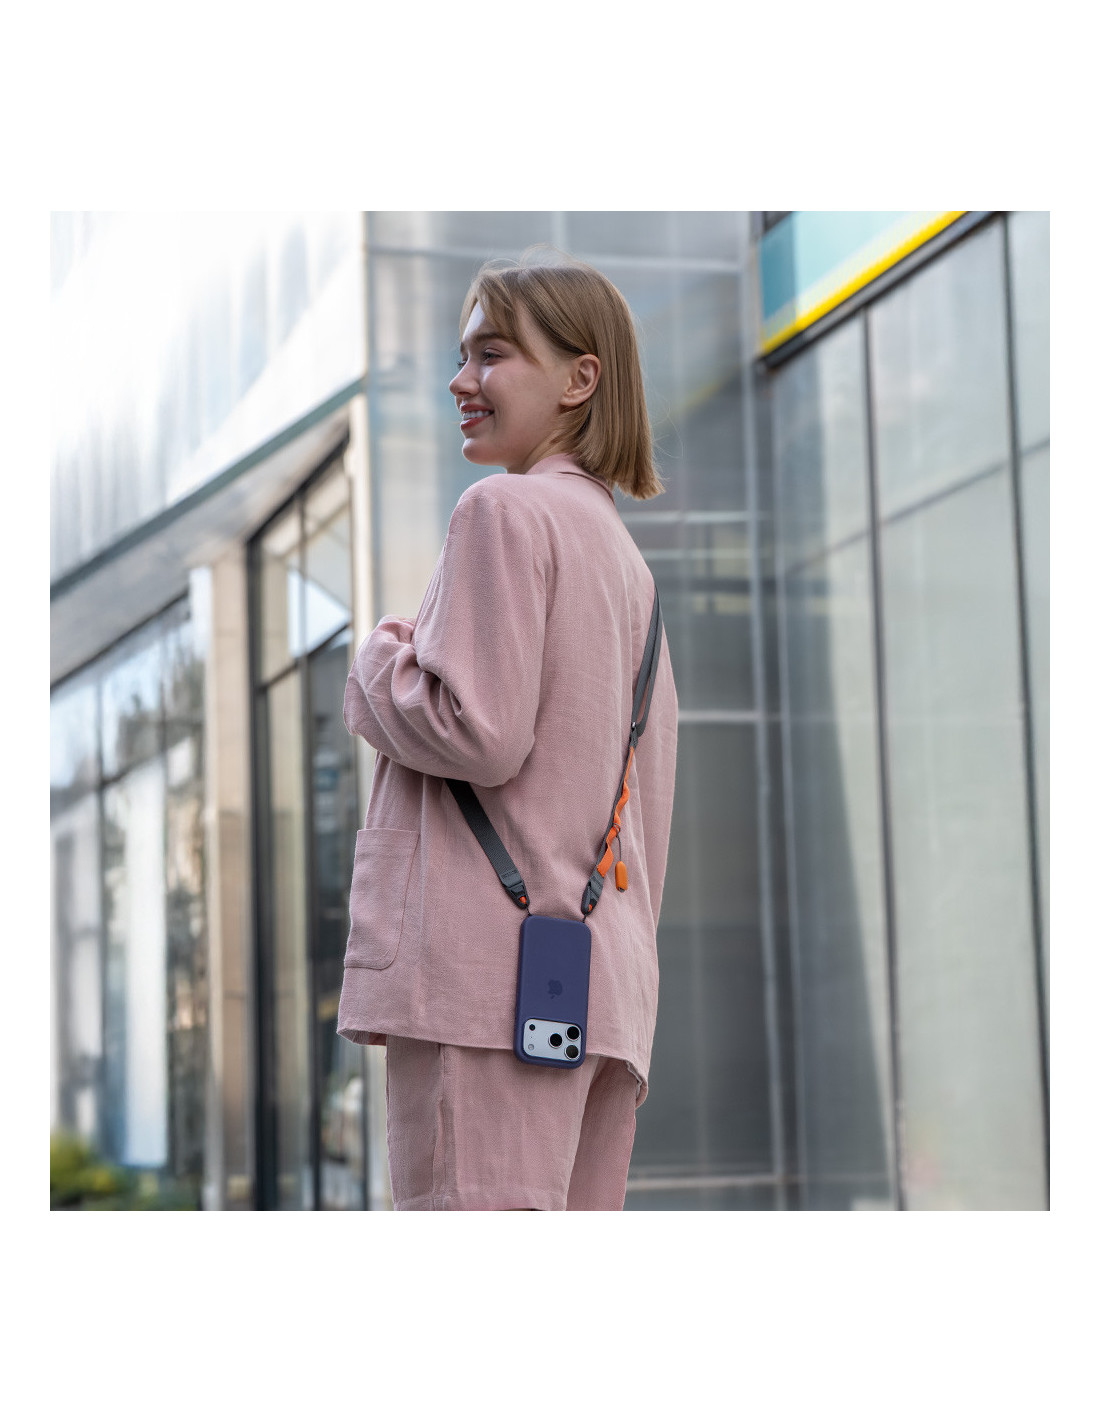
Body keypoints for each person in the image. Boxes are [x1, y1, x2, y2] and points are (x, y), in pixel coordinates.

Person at [336, 252, 678, 1210]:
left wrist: (376, 662)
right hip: (597, 991)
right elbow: (645, 809)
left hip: (483, 987)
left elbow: (474, 731)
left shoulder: (501, 511)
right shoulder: (627, 566)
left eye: (491, 354)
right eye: (463, 356)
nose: (461, 381)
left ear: (580, 378)